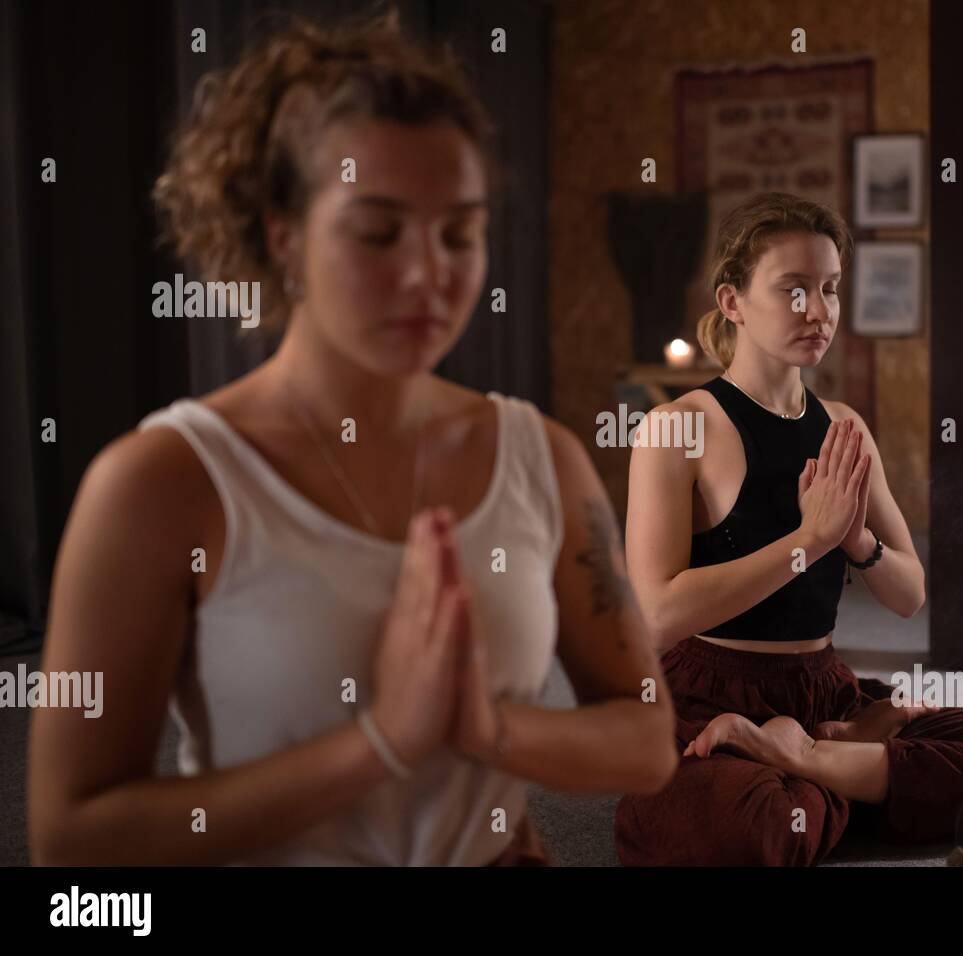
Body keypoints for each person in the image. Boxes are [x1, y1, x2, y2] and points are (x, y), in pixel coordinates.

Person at [27, 12, 676, 866]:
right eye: (378, 232)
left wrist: (488, 728)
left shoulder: (542, 458)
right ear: (281, 234)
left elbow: (647, 739)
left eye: (460, 233)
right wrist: (381, 741)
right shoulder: (162, 482)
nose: (428, 274)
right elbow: (72, 835)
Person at [614, 192, 963, 866]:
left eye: (831, 288)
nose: (820, 310)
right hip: (707, 695)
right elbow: (657, 616)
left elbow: (908, 595)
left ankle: (809, 757)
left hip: (826, 693)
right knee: (748, 827)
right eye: (794, 289)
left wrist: (854, 541)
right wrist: (806, 542)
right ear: (732, 302)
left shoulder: (844, 426)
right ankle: (851, 768)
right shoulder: (676, 429)